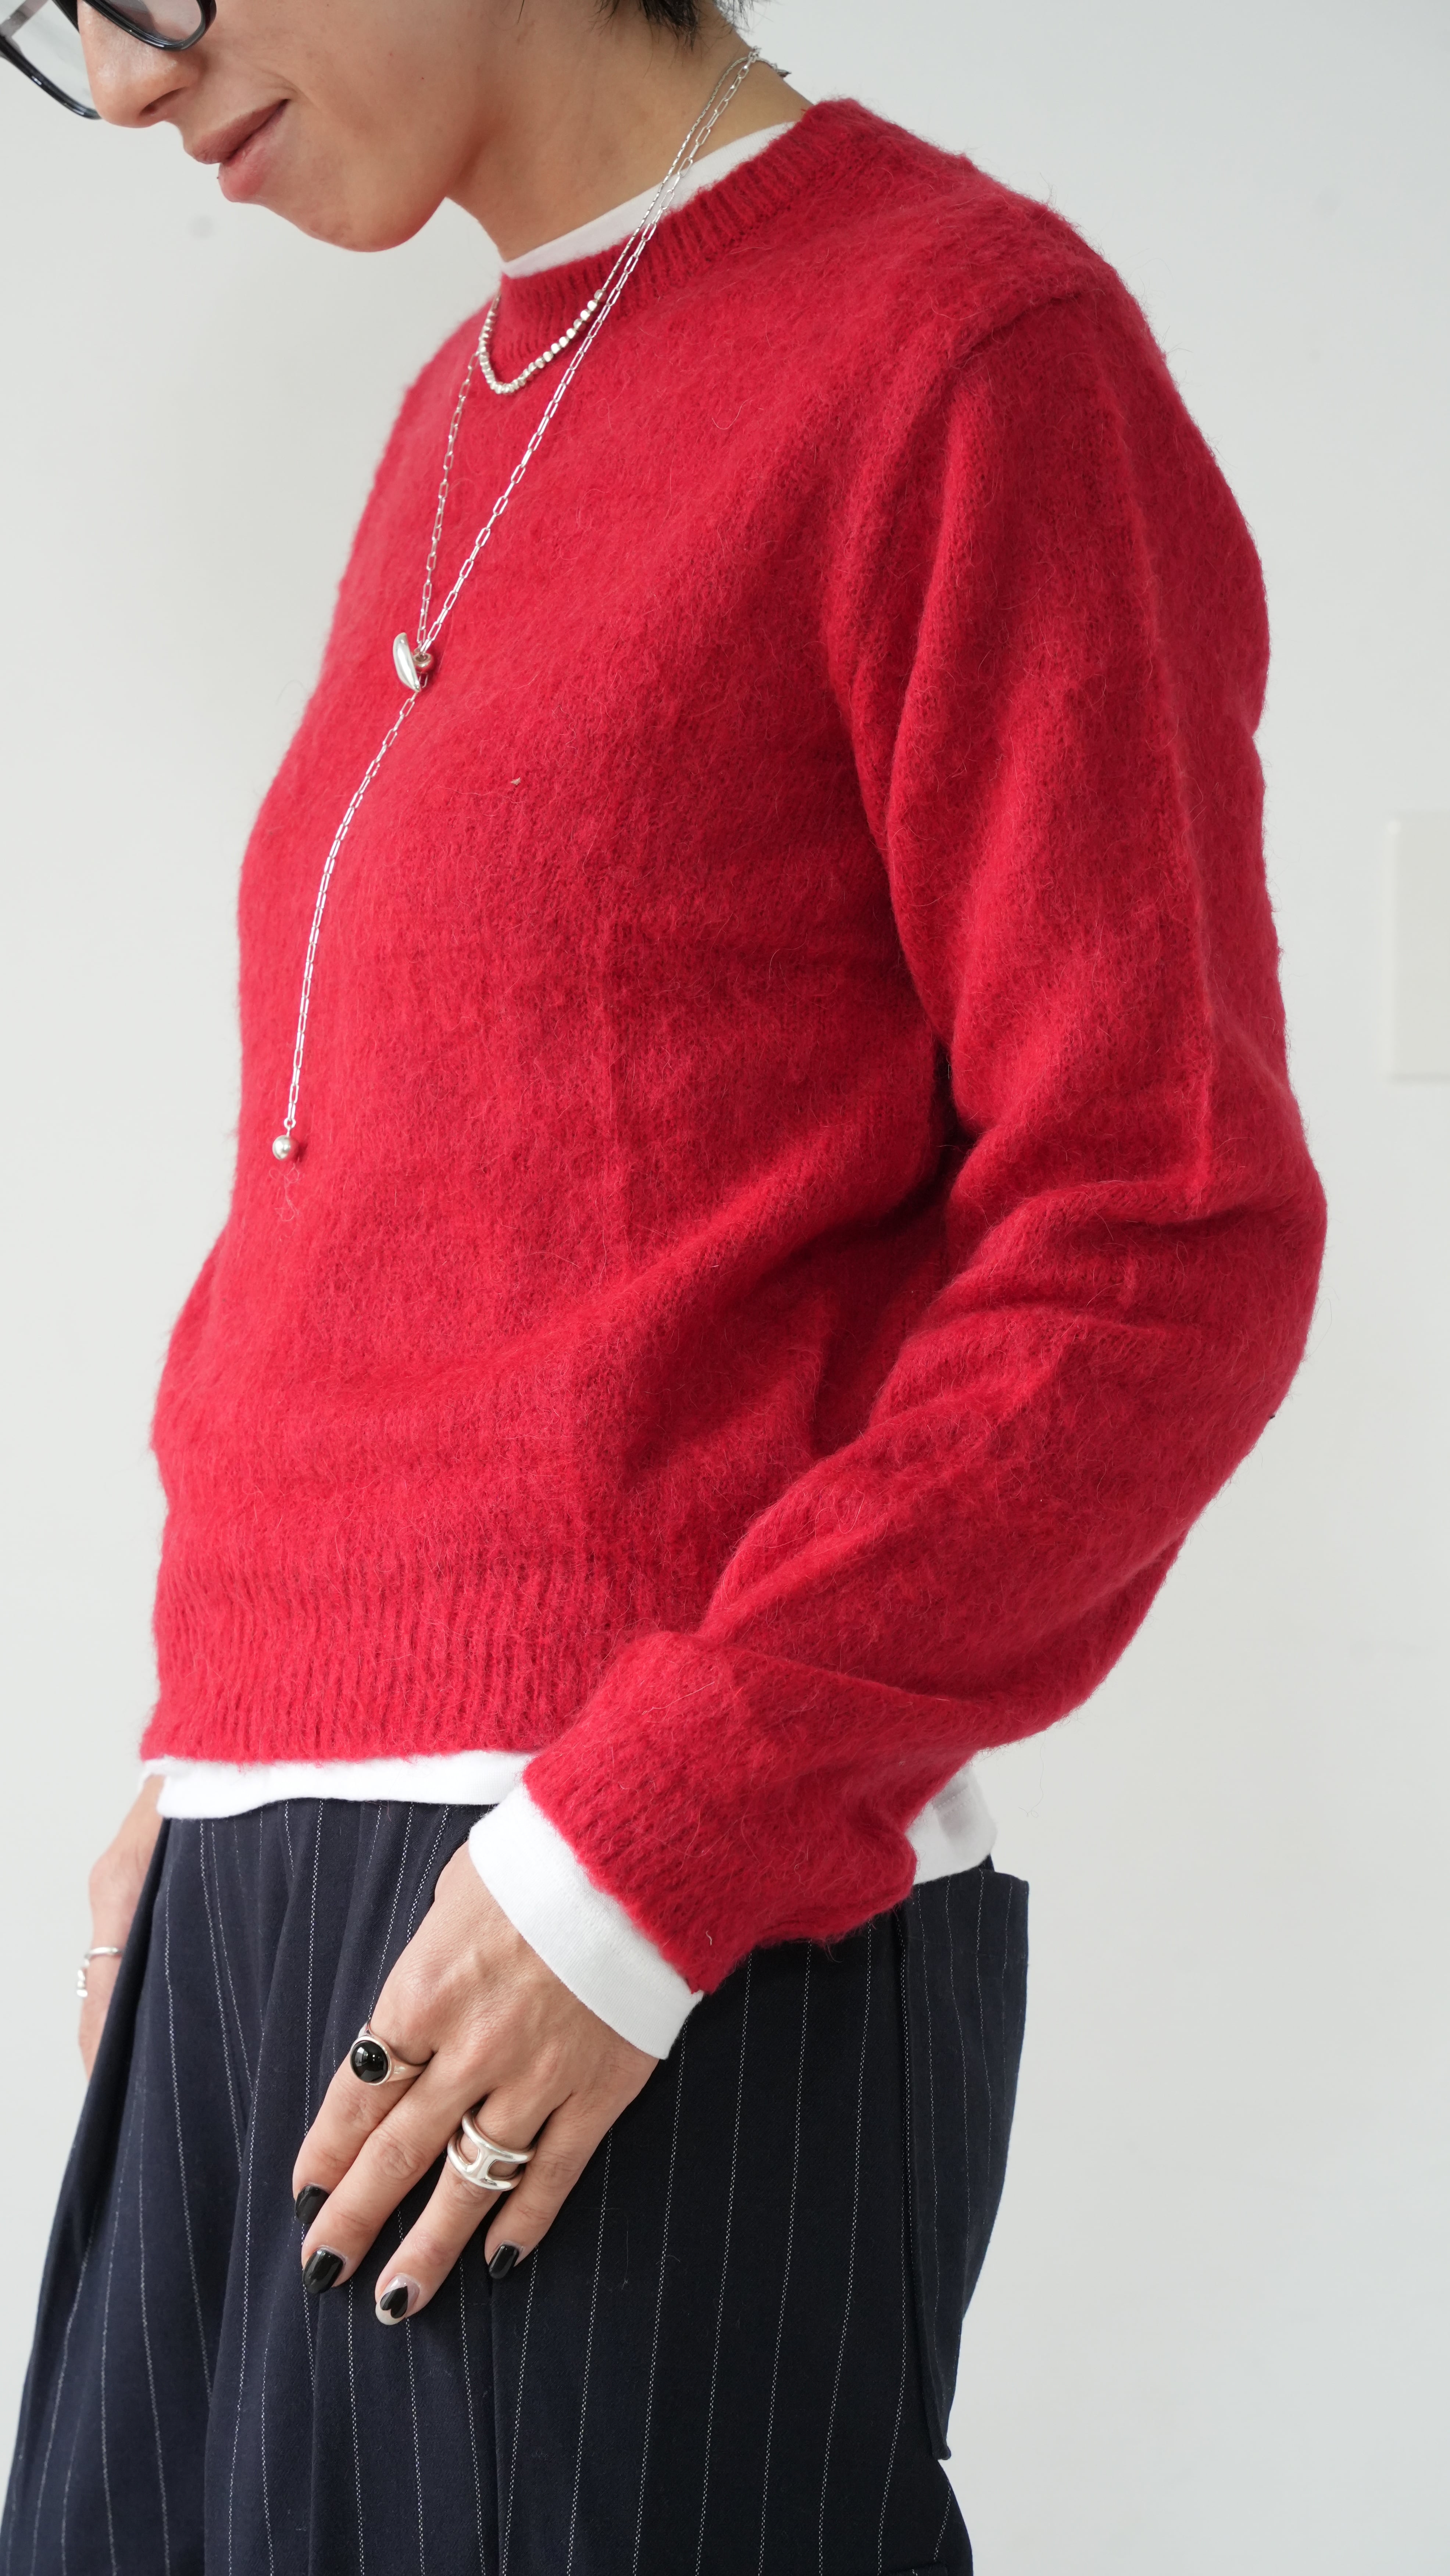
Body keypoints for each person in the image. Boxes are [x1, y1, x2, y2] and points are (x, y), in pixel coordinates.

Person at [0, 0, 1327, 2567]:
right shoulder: (457, 412)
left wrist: (641, 1854)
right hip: (267, 1913)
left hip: (633, 1924)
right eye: (58, 26)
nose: (128, 85)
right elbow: (418, 1203)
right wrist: (230, 1729)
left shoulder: (961, 354)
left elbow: (1159, 1232)